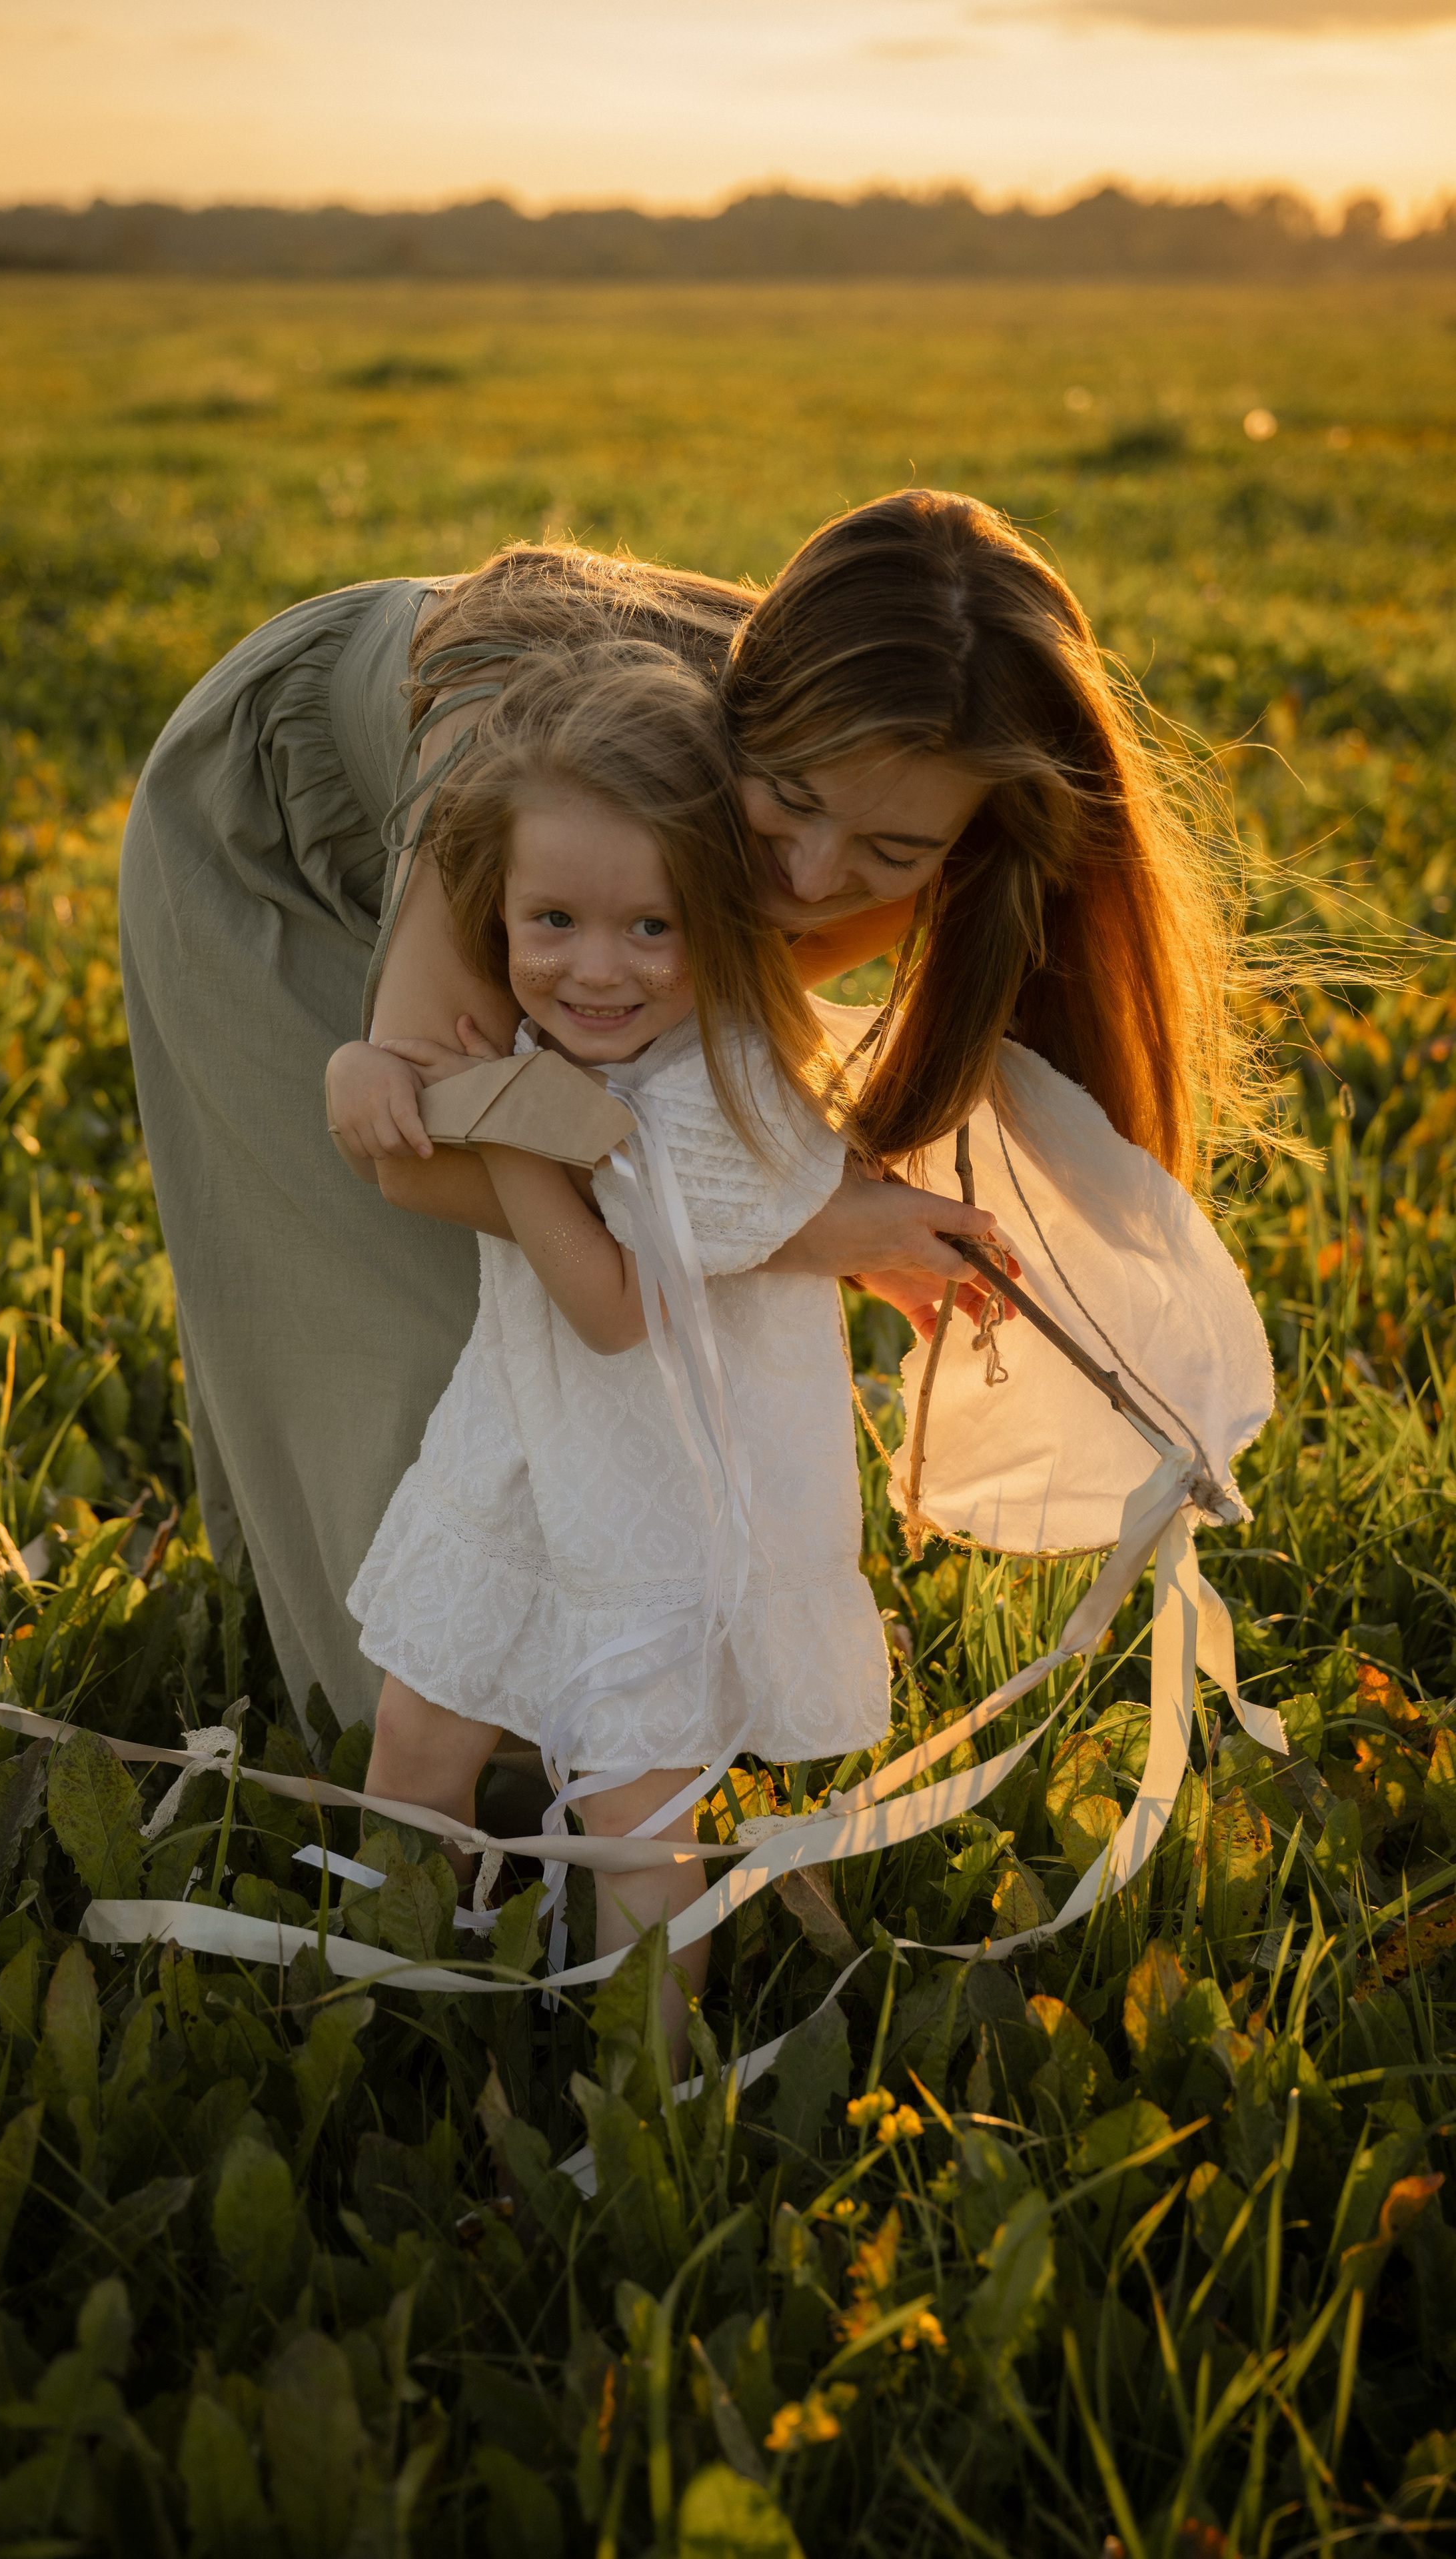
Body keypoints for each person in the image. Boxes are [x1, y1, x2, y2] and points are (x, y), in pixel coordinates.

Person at [119, 490, 1236, 1735]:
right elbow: (422, 1160)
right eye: (794, 801)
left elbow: (657, 1083)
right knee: (417, 1374)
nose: (811, 881)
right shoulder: (549, 787)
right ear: (747, 720)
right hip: (273, 813)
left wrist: (813, 1208)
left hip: (540, 891)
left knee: (579, 1342)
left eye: (891, 847)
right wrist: (806, 1229)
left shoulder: (926, 832)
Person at [342, 642, 893, 2053]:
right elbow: (410, 1084)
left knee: (628, 1810)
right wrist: (372, 1069)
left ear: (719, 920)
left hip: (656, 1489)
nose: (596, 969)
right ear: (498, 913)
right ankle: (410, 1998)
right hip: (518, 1448)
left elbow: (604, 1304)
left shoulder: (729, 1090)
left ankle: (645, 2085)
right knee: (417, 1733)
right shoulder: (540, 1034)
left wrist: (516, 1124)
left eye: (651, 928)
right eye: (554, 922)